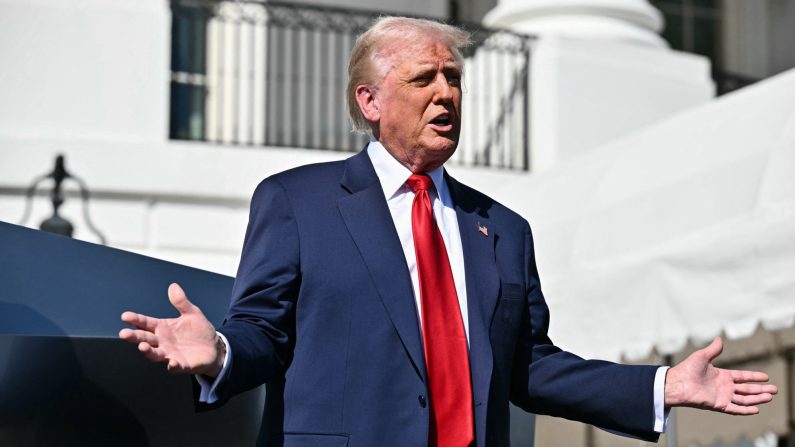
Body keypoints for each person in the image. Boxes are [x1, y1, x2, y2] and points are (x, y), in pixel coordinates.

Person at [119, 17, 777, 447]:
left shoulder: (503, 231)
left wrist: (661, 386)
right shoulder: (298, 202)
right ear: (368, 102)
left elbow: (530, 366)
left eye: (453, 78)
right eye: (423, 78)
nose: (446, 94)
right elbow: (262, 330)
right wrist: (220, 353)